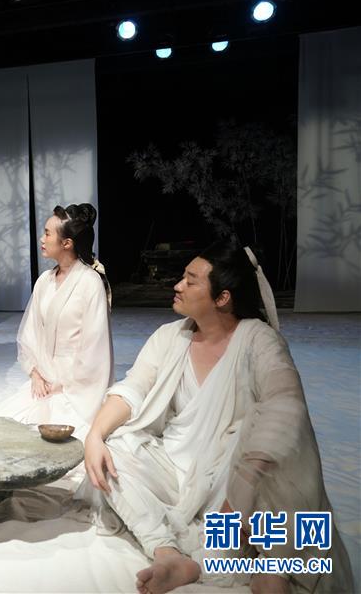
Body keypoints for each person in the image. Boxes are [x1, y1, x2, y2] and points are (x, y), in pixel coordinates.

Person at [77, 241, 352, 593]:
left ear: (222, 298)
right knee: (115, 448)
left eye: (191, 281)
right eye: (182, 277)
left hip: (231, 475)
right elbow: (134, 387)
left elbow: (286, 406)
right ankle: (166, 551)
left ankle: (253, 561)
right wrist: (95, 436)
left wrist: (244, 483)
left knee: (265, 444)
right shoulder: (170, 337)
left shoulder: (259, 341)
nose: (178, 285)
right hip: (172, 466)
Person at [0, 203, 112, 440]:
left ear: (67, 243)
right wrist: (35, 375)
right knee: (4, 428)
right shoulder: (44, 281)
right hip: (44, 377)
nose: (42, 238)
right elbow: (30, 333)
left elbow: (95, 347)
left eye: (47, 233)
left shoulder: (90, 283)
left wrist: (63, 383)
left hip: (78, 384)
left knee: (68, 435)